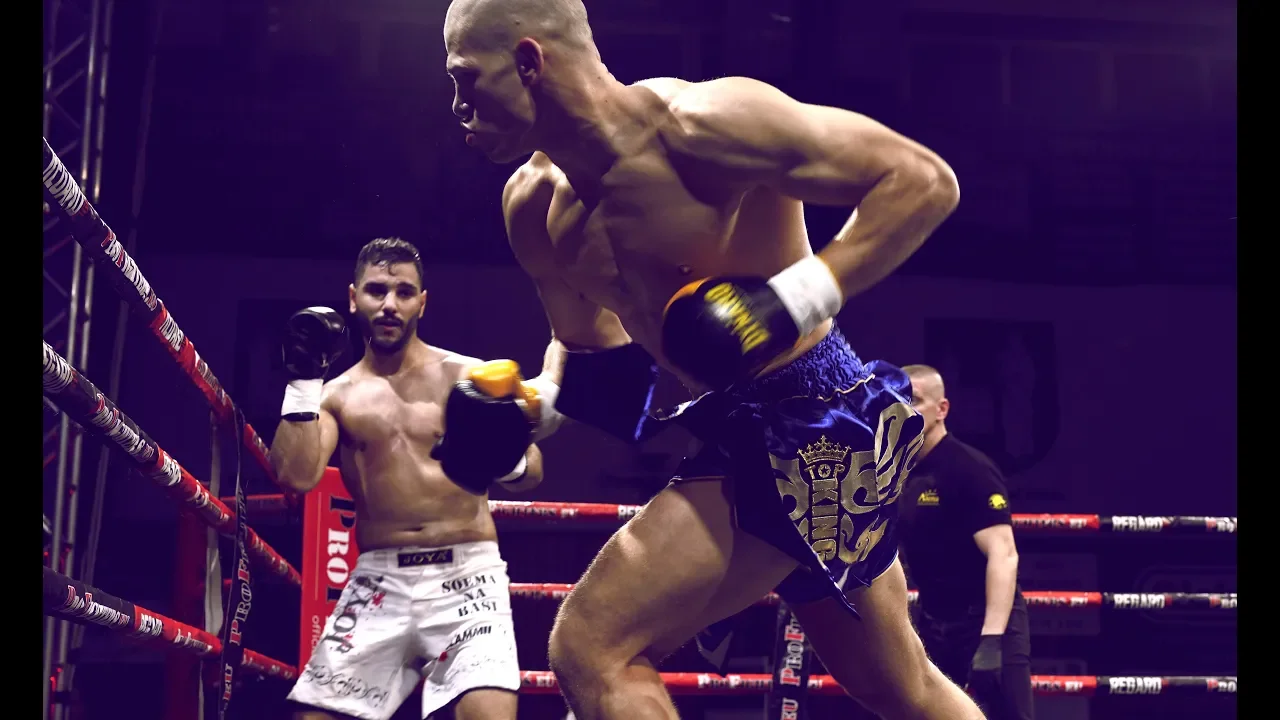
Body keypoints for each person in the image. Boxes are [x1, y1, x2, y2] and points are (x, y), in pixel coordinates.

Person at [442, 2, 980, 718]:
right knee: (900, 685)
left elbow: (921, 181)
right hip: (743, 428)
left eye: (466, 78)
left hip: (819, 414)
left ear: (529, 62)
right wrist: (529, 411)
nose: (457, 105)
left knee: (593, 646)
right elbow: (596, 362)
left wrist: (788, 302)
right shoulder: (533, 210)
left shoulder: (703, 127)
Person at [269, 237, 567, 720]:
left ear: (422, 303)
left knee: (488, 716)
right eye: (377, 290)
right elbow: (296, 475)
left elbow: (532, 471)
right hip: (379, 576)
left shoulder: (467, 376)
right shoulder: (334, 395)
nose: (390, 304)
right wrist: (302, 380)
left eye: (404, 292)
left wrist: (502, 458)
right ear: (353, 298)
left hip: (467, 574)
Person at [898, 365, 1034, 720]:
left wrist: (991, 640)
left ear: (941, 409)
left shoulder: (969, 468)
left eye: (914, 400)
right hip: (934, 623)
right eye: (895, 401)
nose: (903, 409)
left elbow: (1004, 554)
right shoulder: (897, 472)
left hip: (987, 622)